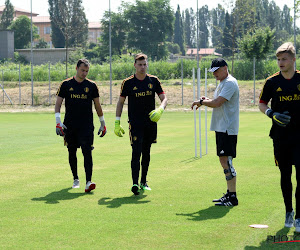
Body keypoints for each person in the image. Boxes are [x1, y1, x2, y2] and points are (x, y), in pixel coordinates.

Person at [259, 42, 300, 232]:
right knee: (285, 175)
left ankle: (299, 217)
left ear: (293, 59)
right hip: (280, 137)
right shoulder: (271, 82)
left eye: (284, 59)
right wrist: (271, 114)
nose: (280, 62)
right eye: (278, 59)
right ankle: (288, 212)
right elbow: (261, 104)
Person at [114, 53, 167, 195]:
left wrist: (160, 109)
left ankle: (144, 181)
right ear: (134, 65)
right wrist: (117, 121)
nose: (142, 67)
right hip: (135, 123)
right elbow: (120, 102)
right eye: (140, 64)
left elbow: (164, 98)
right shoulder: (128, 82)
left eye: (144, 64)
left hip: (150, 123)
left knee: (147, 152)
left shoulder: (153, 80)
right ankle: (135, 183)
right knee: (136, 152)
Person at [191, 58, 239, 206]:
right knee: (223, 160)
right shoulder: (223, 83)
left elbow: (217, 103)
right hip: (221, 127)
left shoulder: (230, 82)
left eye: (217, 71)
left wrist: (201, 102)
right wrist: (207, 100)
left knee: (227, 161)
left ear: (225, 68)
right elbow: (217, 101)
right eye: (213, 72)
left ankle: (233, 197)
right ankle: (230, 194)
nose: (215, 74)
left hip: (227, 128)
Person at [55, 59, 106, 193]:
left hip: (87, 125)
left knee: (87, 151)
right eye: (82, 70)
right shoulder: (66, 84)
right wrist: (58, 122)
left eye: (87, 71)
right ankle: (75, 178)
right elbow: (58, 104)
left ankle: (88, 181)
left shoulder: (92, 85)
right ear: (76, 68)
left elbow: (97, 105)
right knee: (72, 151)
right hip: (70, 125)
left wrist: (103, 123)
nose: (84, 73)